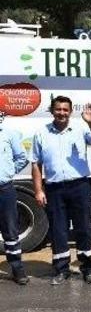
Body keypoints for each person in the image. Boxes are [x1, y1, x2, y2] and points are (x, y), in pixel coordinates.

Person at [31, 96, 91, 285]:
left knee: (83, 229)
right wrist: (39, 190)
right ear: (52, 110)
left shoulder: (81, 130)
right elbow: (36, 164)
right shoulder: (41, 133)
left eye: (65, 110)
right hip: (54, 189)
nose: (62, 113)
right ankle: (61, 269)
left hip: (79, 186)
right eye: (58, 109)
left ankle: (88, 269)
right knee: (58, 231)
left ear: (70, 112)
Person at [0, 113, 29, 285]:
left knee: (10, 230)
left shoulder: (9, 133)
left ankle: (17, 269)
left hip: (5, 189)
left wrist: (8, 172)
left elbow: (22, 158)